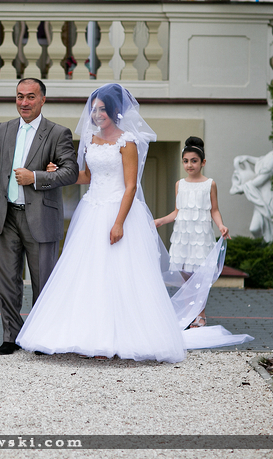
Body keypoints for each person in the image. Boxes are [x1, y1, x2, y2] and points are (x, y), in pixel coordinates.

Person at [17, 84, 252, 361]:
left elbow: (130, 186)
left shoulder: (127, 141)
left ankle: (117, 339)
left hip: (120, 212)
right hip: (91, 211)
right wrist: (58, 172)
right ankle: (86, 336)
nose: (96, 114)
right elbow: (87, 176)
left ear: (114, 111)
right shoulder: (90, 140)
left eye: (102, 110)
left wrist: (118, 223)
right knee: (89, 274)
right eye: (94, 110)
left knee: (119, 276)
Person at [0, 78, 78, 356]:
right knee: (7, 282)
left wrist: (35, 177)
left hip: (41, 218)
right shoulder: (3, 129)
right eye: (19, 96)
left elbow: (71, 172)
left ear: (43, 100)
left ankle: (41, 337)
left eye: (30, 97)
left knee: (43, 282)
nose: (24, 102)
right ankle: (11, 336)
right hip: (6, 216)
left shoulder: (58, 133)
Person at [154, 136, 230, 329]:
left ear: (203, 162)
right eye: (186, 161)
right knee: (186, 277)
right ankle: (190, 314)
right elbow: (177, 211)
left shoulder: (210, 184)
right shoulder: (179, 184)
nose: (189, 165)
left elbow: (214, 210)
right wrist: (161, 220)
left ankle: (200, 315)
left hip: (200, 236)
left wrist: (221, 226)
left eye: (194, 161)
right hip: (183, 236)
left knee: (200, 276)